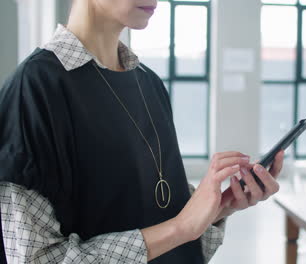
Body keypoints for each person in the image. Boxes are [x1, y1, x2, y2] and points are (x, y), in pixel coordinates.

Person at [0, 0, 284, 263]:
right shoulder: (34, 88)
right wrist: (181, 228)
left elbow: (159, 221)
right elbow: (34, 258)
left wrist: (220, 208)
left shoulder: (149, 83)